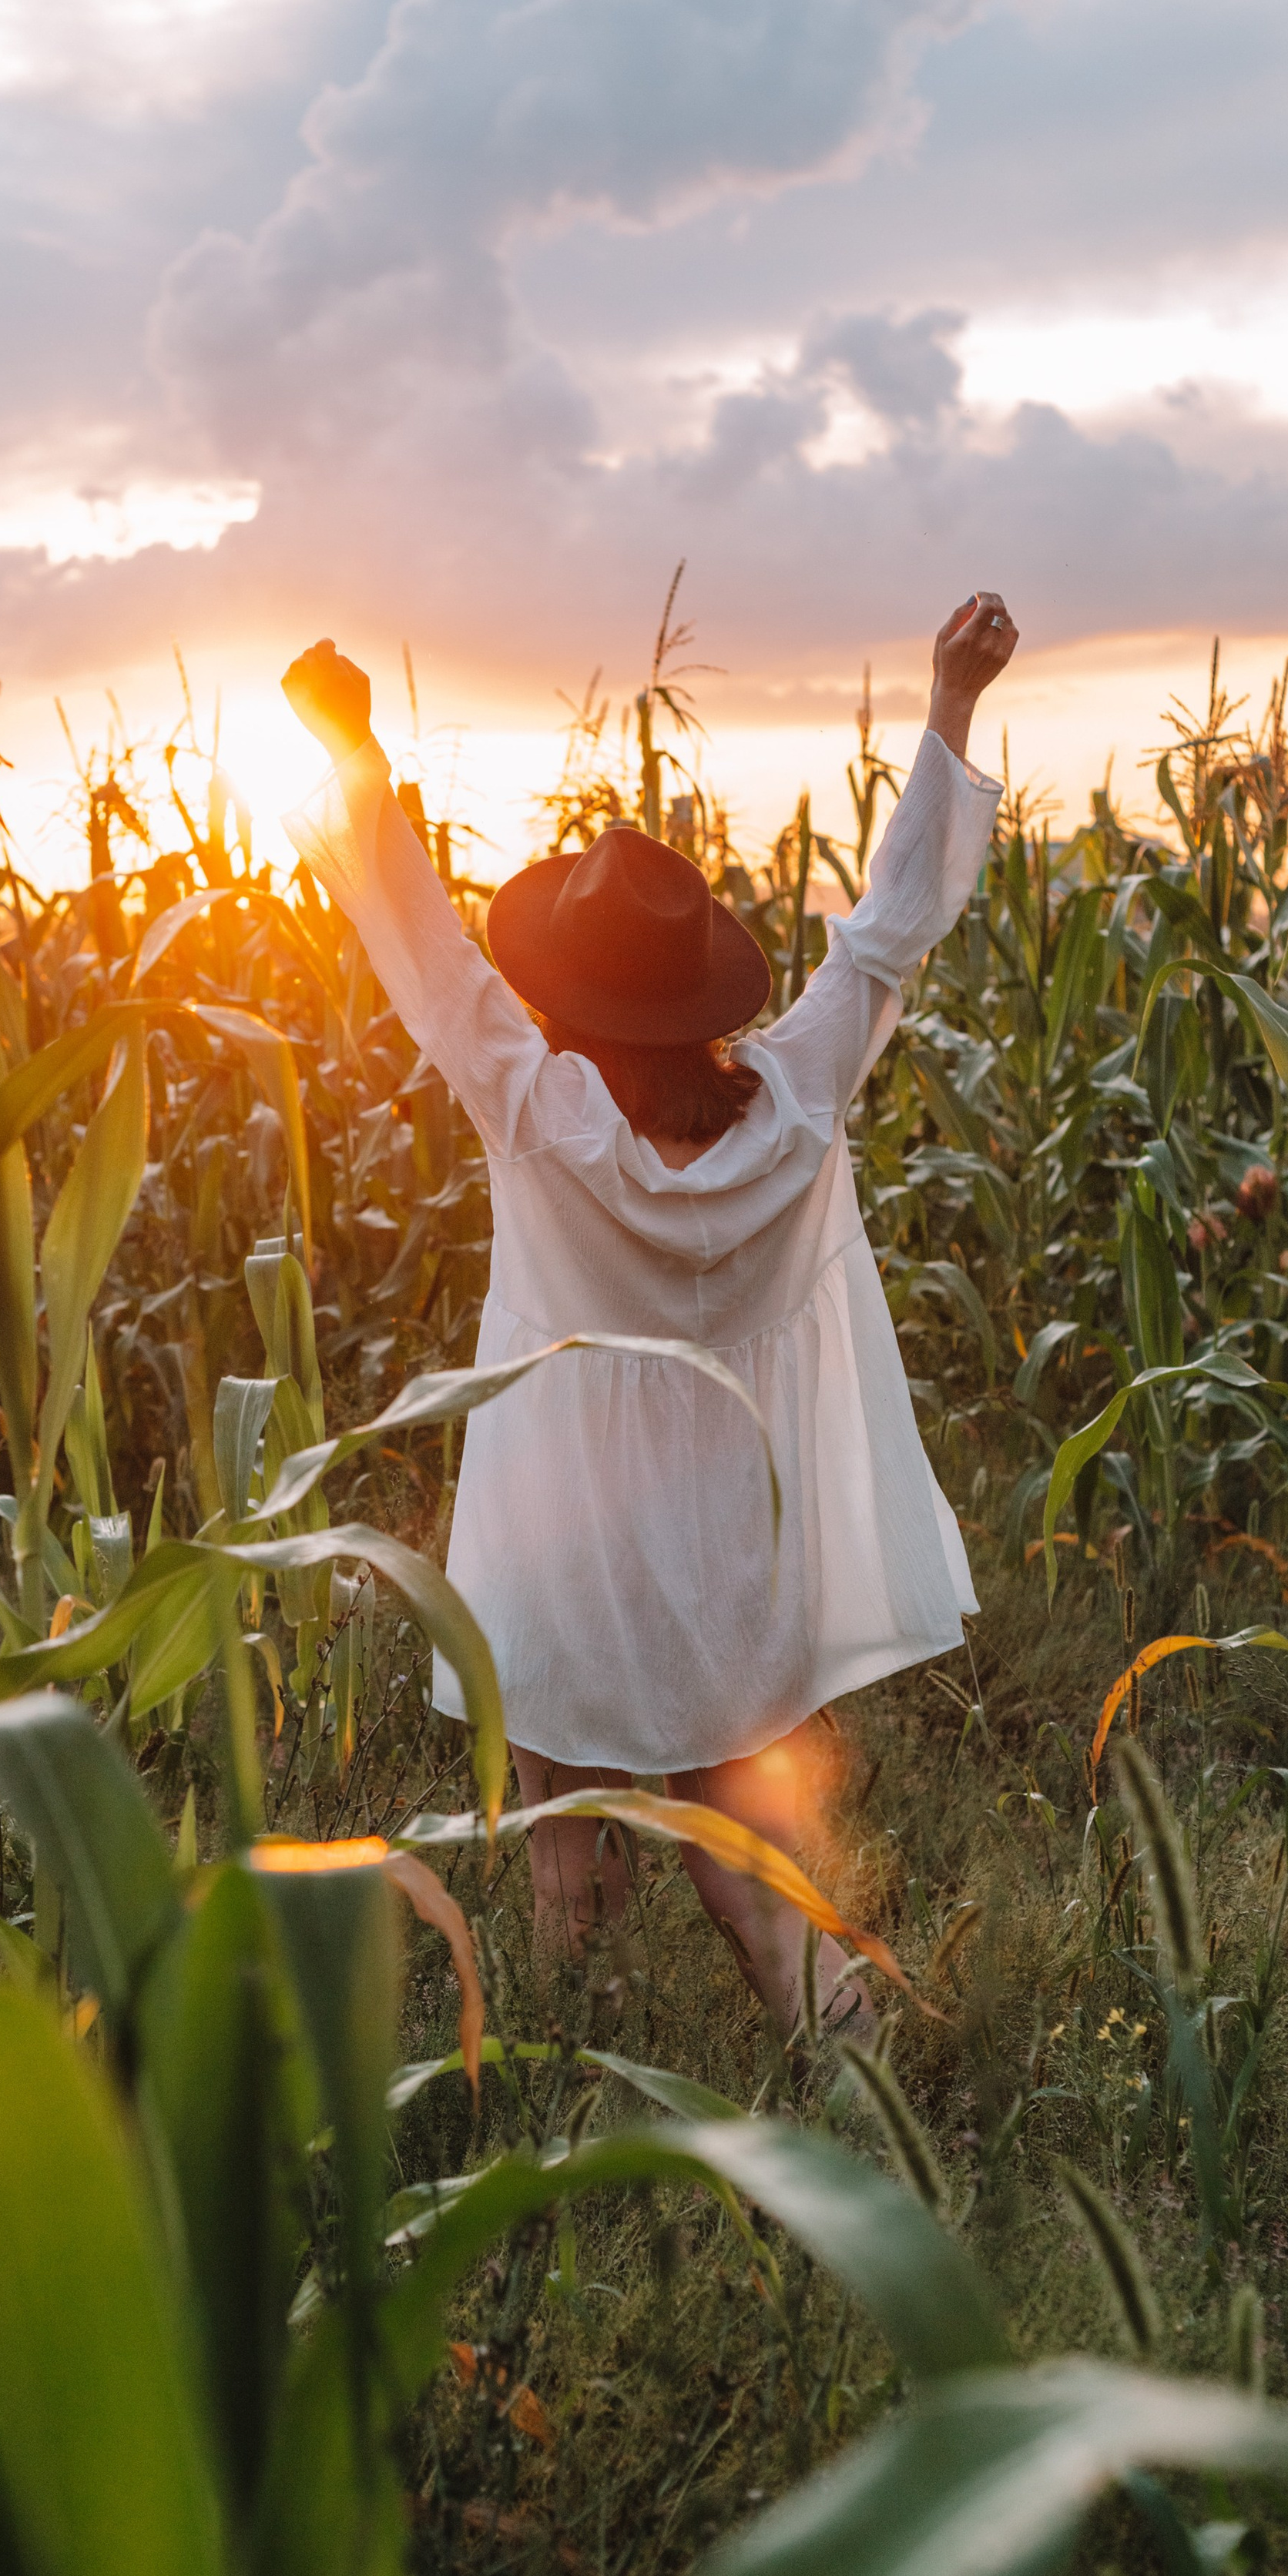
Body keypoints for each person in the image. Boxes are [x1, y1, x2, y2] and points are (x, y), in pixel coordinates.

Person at [280, 592, 1016, 2034]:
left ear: (570, 1002)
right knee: (751, 1878)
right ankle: (868, 2090)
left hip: (562, 1552)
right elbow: (884, 941)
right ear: (700, 1001)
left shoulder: (542, 1113)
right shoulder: (797, 1102)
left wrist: (356, 752)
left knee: (567, 1881)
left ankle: (578, 2125)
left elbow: (428, 954)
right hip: (728, 1550)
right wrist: (950, 705)